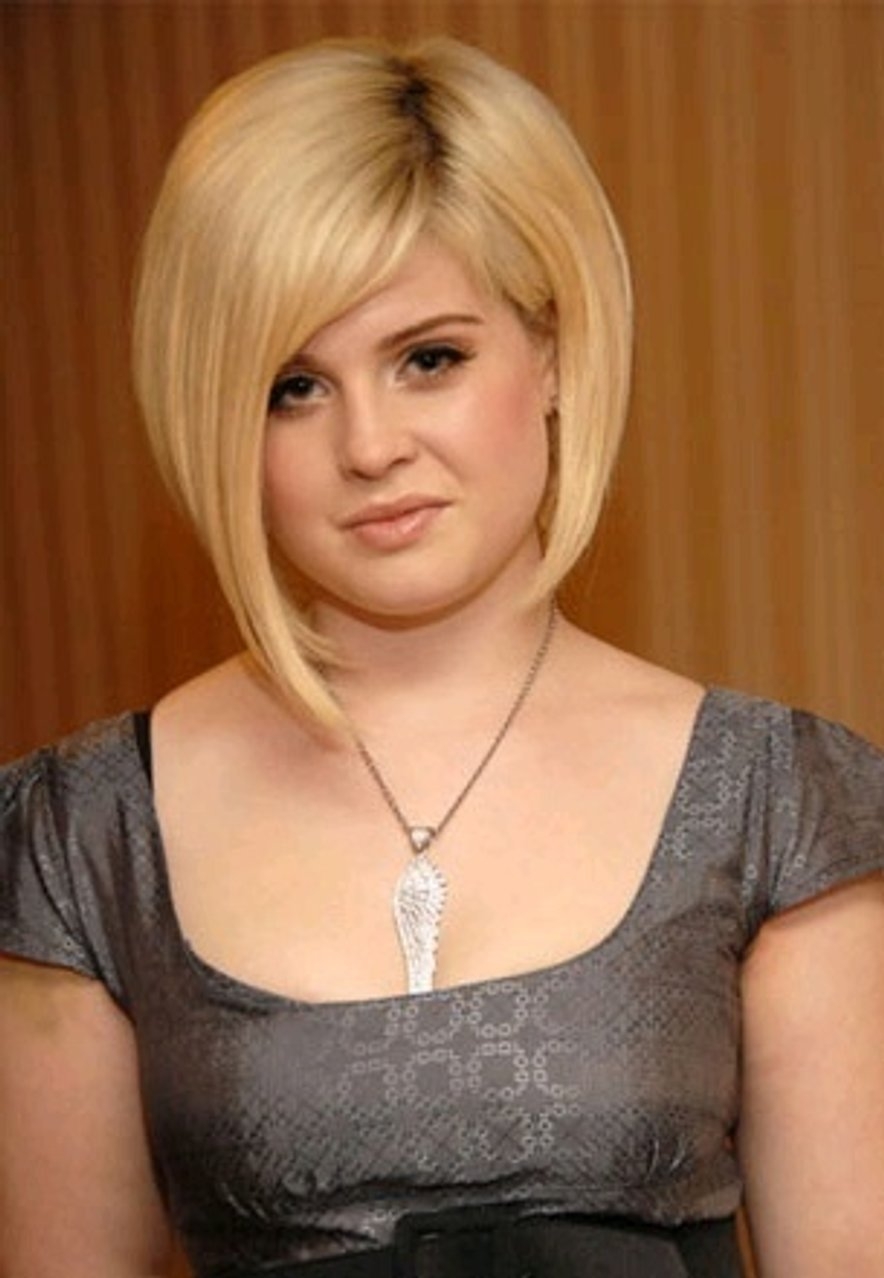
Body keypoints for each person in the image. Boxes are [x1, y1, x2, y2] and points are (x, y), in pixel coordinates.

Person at [1, 35, 882, 1278]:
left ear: (553, 352)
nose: (369, 446)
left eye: (429, 359)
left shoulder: (774, 803)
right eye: (292, 386)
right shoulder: (82, 835)